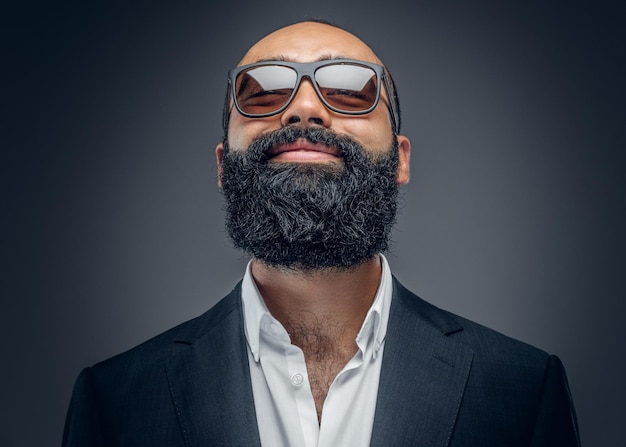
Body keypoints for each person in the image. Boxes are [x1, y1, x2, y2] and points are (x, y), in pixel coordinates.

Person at [63, 20, 580, 446]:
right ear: (223, 165)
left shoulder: (524, 389)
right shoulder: (114, 401)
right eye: (263, 93)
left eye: (349, 92)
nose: (305, 108)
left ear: (400, 159)